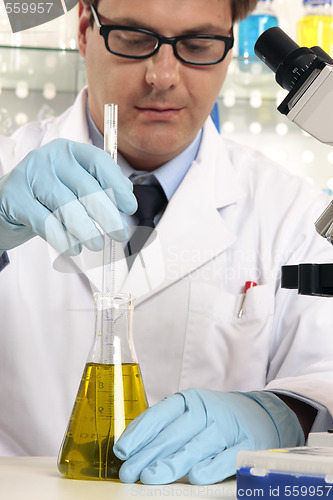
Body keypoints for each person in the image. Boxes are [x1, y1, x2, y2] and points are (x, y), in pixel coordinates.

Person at [0, 0, 333, 486]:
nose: (163, 76)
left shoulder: (293, 212)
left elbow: (323, 375)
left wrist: (278, 414)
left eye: (197, 45)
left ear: (229, 49)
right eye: (135, 39)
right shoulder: (7, 176)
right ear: (83, 29)